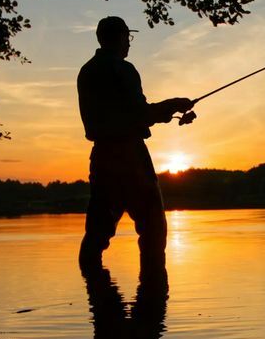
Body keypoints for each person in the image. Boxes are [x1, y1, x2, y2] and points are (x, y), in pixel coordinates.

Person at [77, 16, 194, 273]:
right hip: (131, 158)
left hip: (102, 158)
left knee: (97, 232)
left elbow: (125, 115)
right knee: (153, 229)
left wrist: (168, 109)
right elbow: (140, 114)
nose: (129, 44)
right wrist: (173, 105)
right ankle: (151, 299)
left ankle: (95, 293)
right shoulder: (123, 69)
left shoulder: (86, 72)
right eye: (127, 38)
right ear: (119, 38)